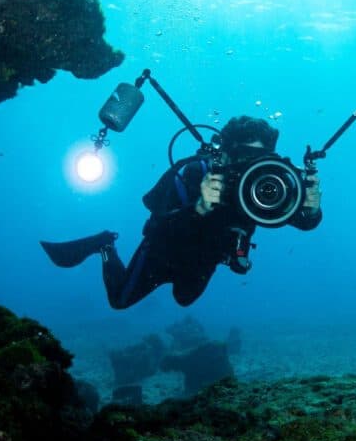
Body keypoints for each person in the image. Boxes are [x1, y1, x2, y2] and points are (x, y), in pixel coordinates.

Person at [41, 116, 322, 309]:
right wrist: (198, 208)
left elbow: (303, 222)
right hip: (162, 252)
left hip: (205, 259)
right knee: (119, 300)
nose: (248, 167)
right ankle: (104, 244)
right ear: (223, 154)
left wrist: (311, 208)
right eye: (241, 157)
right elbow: (156, 224)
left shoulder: (267, 183)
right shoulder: (192, 172)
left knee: (184, 299)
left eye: (259, 160)